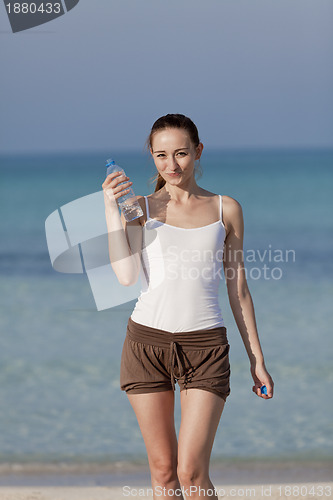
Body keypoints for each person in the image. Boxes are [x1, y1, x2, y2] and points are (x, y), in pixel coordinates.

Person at [102, 114, 274, 500]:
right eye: (161, 155)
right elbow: (127, 277)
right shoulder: (139, 208)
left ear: (198, 151)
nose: (172, 165)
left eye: (181, 153)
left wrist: (257, 359)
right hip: (145, 345)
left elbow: (239, 290)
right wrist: (111, 209)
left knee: (192, 474)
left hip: (205, 347)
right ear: (152, 156)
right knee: (164, 474)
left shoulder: (225, 209)